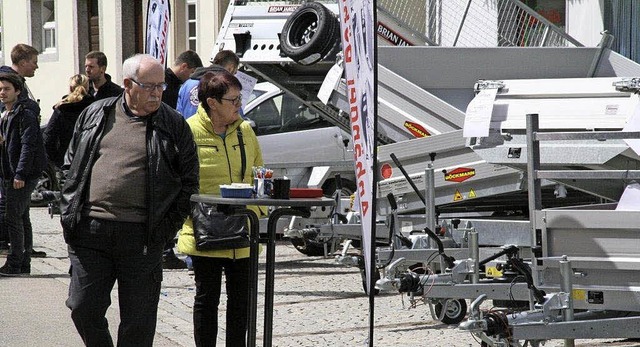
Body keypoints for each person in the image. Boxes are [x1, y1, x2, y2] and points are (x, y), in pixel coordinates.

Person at [61, 54, 199, 346]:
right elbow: (71, 166)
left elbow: (189, 182)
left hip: (143, 236)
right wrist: (69, 212)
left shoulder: (173, 124)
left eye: (161, 86)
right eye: (150, 86)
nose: (157, 93)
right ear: (127, 84)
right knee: (82, 307)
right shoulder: (96, 114)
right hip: (90, 232)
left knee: (138, 322)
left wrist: (166, 230)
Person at [177, 70, 264, 346]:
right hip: (206, 230)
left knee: (241, 302)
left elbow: (257, 173)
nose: (239, 105)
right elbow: (178, 180)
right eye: (233, 100)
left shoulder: (246, 130)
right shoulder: (188, 131)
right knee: (207, 299)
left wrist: (257, 213)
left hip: (242, 230)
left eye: (240, 99)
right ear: (212, 102)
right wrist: (190, 216)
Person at [0, 72, 47, 276]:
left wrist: (20, 174)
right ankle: (23, 262)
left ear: (17, 91)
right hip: (11, 171)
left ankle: (15, 262)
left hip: (23, 173)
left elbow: (29, 145)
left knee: (13, 217)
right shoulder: (7, 113)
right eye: (0, 89)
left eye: (7, 89)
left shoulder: (24, 114)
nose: (2, 93)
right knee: (22, 216)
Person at [161, 50, 202, 270]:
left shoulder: (175, 84)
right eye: (192, 72)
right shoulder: (167, 83)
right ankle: (165, 250)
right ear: (185, 67)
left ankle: (167, 249)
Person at [43, 74, 94, 169]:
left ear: (70, 88)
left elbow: (48, 139)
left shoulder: (61, 109)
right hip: (89, 161)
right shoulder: (94, 108)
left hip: (66, 161)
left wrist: (57, 159)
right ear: (87, 88)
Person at [176, 50, 239, 119]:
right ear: (231, 68)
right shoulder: (226, 86)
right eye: (234, 73)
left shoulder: (187, 84)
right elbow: (236, 116)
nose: (233, 76)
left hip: (185, 128)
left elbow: (178, 113)